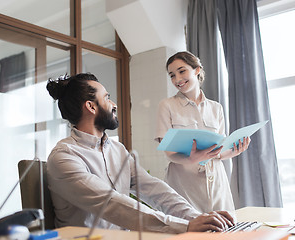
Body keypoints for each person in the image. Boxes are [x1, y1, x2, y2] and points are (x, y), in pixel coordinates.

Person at [46, 73, 234, 234]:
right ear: (91, 107)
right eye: (107, 97)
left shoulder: (117, 150)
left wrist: (198, 218)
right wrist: (184, 226)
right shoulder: (64, 157)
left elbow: (154, 189)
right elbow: (110, 203)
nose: (114, 105)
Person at [155, 51, 250, 213]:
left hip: (216, 183)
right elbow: (169, 152)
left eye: (182, 71)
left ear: (197, 70)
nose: (177, 79)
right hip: (184, 184)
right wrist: (191, 158)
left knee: (223, 232)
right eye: (172, 75)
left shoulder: (216, 108)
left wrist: (234, 151)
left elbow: (217, 152)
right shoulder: (167, 105)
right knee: (188, 232)